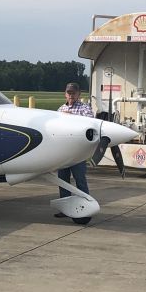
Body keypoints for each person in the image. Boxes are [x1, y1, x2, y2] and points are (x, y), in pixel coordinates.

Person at [54, 82, 94, 218]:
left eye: (73, 93)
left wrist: (71, 117)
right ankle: (65, 209)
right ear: (65, 94)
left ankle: (85, 208)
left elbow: (91, 122)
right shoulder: (60, 109)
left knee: (80, 180)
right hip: (63, 152)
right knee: (63, 181)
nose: (71, 95)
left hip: (77, 153)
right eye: (69, 93)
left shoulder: (84, 108)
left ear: (78, 94)